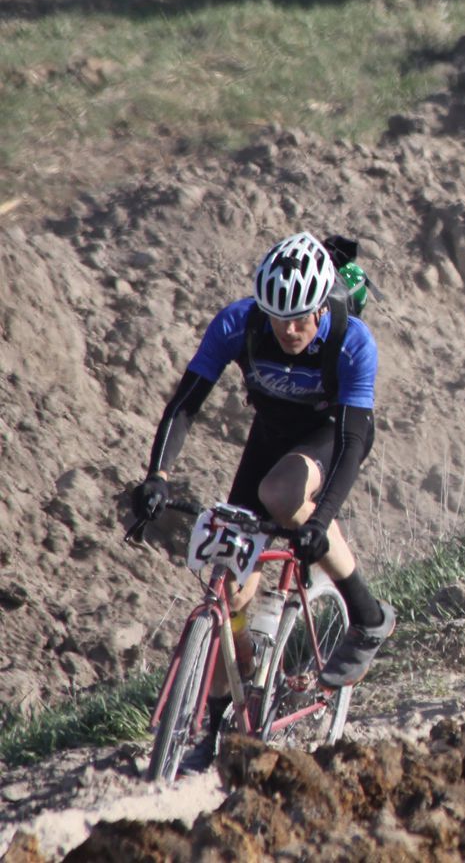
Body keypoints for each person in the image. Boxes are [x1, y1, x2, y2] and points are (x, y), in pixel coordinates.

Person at [131, 231, 395, 767]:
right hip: (271, 437)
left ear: (321, 306)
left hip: (329, 435)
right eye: (277, 318)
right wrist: (157, 475)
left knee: (282, 495)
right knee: (230, 591)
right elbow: (185, 404)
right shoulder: (239, 323)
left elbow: (353, 442)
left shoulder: (352, 340)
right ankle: (219, 724)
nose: (289, 330)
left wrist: (319, 518)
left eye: (300, 319)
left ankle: (367, 615)